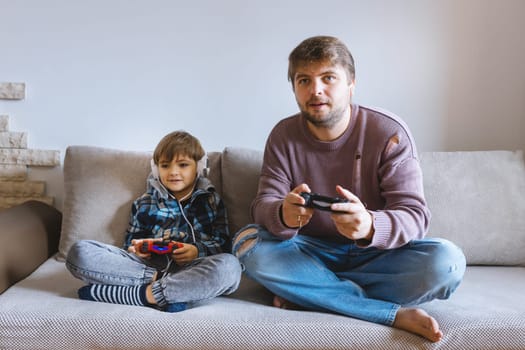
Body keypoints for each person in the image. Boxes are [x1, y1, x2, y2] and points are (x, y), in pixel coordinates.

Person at [232, 36, 466, 342]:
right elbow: (263, 205)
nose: (316, 90)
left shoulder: (389, 132)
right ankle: (387, 313)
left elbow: (415, 215)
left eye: (328, 78)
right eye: (304, 80)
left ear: (351, 84)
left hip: (377, 257)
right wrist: (283, 214)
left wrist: (370, 225)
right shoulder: (283, 135)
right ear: (294, 90)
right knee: (246, 243)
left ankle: (310, 293)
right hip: (309, 253)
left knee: (447, 263)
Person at [66, 130, 241, 312]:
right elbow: (131, 243)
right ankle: (169, 291)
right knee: (79, 252)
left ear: (199, 167)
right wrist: (137, 249)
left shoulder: (211, 201)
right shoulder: (144, 203)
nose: (173, 172)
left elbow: (223, 244)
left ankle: (141, 296)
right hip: (147, 267)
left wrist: (197, 250)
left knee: (230, 267)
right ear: (156, 169)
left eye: (182, 165)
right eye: (165, 166)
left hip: (192, 269)